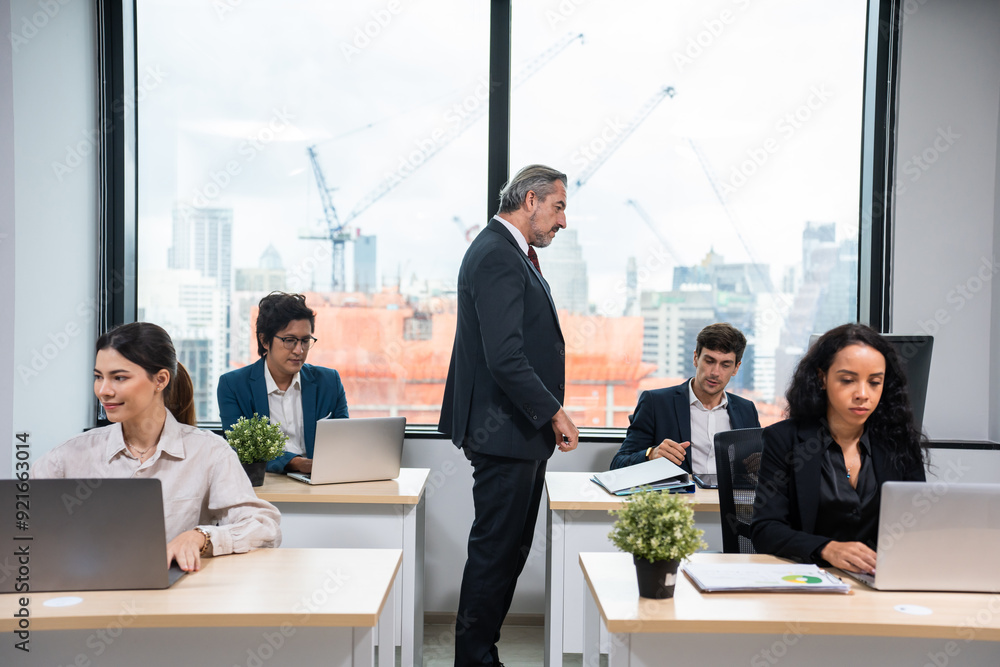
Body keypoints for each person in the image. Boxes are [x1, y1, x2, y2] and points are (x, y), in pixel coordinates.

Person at [439, 164, 580, 667]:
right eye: (558, 207)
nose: (562, 221)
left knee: (508, 551)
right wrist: (555, 413)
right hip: (504, 432)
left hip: (517, 432)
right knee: (496, 553)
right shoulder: (498, 254)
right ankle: (474, 659)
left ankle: (482, 654)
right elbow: (504, 358)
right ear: (530, 200)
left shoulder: (509, 252)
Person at [32, 322, 281, 572]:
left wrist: (200, 537)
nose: (103, 391)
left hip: (175, 592)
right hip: (90, 588)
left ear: (160, 380)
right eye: (98, 377)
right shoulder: (65, 459)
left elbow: (265, 527)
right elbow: (24, 533)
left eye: (119, 377)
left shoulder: (209, 453)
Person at [751, 323, 927, 573]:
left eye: (875, 382)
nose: (863, 394)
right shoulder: (784, 439)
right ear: (822, 378)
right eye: (847, 380)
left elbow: (919, 524)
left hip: (879, 580)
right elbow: (765, 529)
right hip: (808, 578)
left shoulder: (899, 441)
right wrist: (826, 548)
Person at [218, 292, 349, 474]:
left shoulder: (329, 382)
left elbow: (344, 442)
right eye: (289, 340)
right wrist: (296, 463)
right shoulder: (233, 385)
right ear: (265, 340)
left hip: (320, 480)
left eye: (305, 341)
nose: (299, 350)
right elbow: (241, 448)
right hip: (265, 482)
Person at [609, 322, 759, 474]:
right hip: (680, 490)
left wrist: (759, 468)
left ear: (736, 368)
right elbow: (618, 464)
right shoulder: (655, 403)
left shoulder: (747, 410)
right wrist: (651, 454)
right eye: (709, 361)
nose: (715, 372)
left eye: (725, 365)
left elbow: (757, 469)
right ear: (695, 358)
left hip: (727, 491)